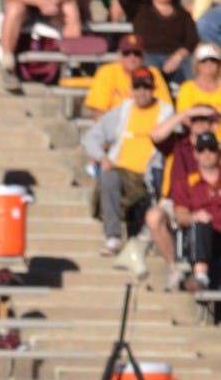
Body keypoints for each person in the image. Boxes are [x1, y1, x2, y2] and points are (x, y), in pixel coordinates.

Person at [82, 66, 173, 255]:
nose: (142, 92)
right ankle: (113, 237)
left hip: (153, 171)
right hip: (123, 170)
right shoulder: (122, 111)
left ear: (153, 89)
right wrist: (103, 158)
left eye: (146, 87)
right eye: (137, 87)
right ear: (131, 89)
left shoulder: (166, 112)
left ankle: (153, 240)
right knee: (108, 177)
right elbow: (90, 138)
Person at [146, 103, 220, 290]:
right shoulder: (180, 142)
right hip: (177, 199)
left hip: (209, 198)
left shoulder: (216, 146)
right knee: (154, 217)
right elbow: (155, 135)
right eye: (196, 119)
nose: (200, 124)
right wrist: (186, 113)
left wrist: (216, 120)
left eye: (205, 119)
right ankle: (175, 266)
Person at [115, 0, 198, 87]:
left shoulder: (183, 14)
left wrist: (177, 57)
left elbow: (192, 40)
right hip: (147, 56)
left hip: (176, 58)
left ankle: (197, 100)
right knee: (147, 67)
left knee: (192, 63)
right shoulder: (139, 8)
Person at [171, 128, 221, 294]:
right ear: (195, 154)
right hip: (201, 238)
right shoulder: (186, 181)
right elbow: (180, 215)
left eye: (211, 149)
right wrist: (194, 216)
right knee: (202, 223)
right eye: (202, 149)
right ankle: (200, 276)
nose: (207, 153)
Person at [83, 33, 171, 121]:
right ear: (119, 55)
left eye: (137, 53)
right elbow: (99, 112)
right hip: (116, 126)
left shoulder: (153, 73)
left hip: (148, 125)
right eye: (126, 53)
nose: (132, 58)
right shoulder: (107, 72)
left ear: (143, 56)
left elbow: (166, 109)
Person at [176, 42, 221, 121]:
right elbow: (184, 118)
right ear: (196, 63)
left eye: (213, 60)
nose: (209, 63)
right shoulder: (187, 88)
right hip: (198, 131)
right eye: (203, 60)